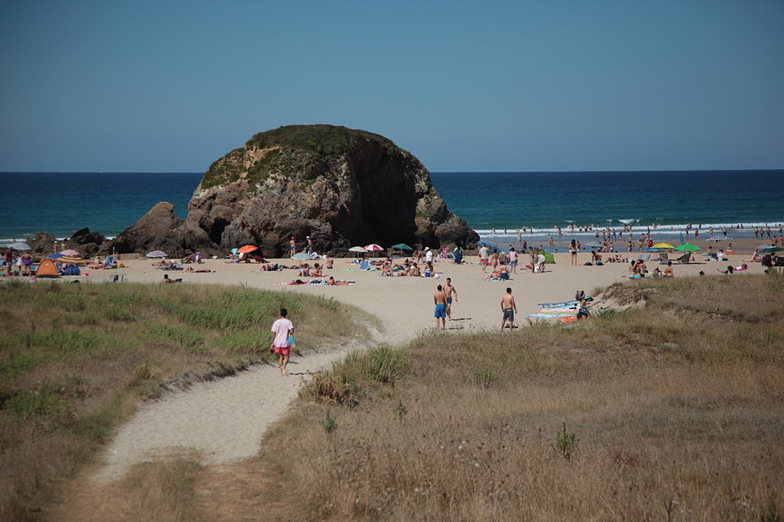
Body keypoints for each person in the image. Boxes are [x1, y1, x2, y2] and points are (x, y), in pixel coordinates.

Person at [270, 308, 294, 376]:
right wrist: (290, 332)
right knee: (286, 357)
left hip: (277, 342)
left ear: (280, 313)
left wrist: (272, 343)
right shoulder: (288, 322)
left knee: (281, 357)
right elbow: (291, 331)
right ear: (286, 314)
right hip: (285, 342)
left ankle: (282, 371)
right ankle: (283, 367)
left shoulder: (276, 322)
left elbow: (274, 333)